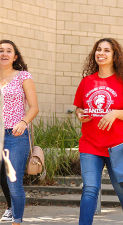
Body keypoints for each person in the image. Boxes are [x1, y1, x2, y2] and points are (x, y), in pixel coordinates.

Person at [73, 38, 123, 225]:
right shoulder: (87, 81)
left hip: (117, 146)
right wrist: (80, 114)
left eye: (106, 50)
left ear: (114, 56)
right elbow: (79, 107)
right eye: (98, 50)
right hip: (90, 144)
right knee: (90, 189)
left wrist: (115, 113)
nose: (101, 53)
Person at [0, 40, 39, 225]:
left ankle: (17, 221)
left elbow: (33, 107)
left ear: (15, 57)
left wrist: (23, 122)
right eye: (0, 50)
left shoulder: (23, 76)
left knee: (14, 185)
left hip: (15, 135)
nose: (4, 53)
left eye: (8, 51)